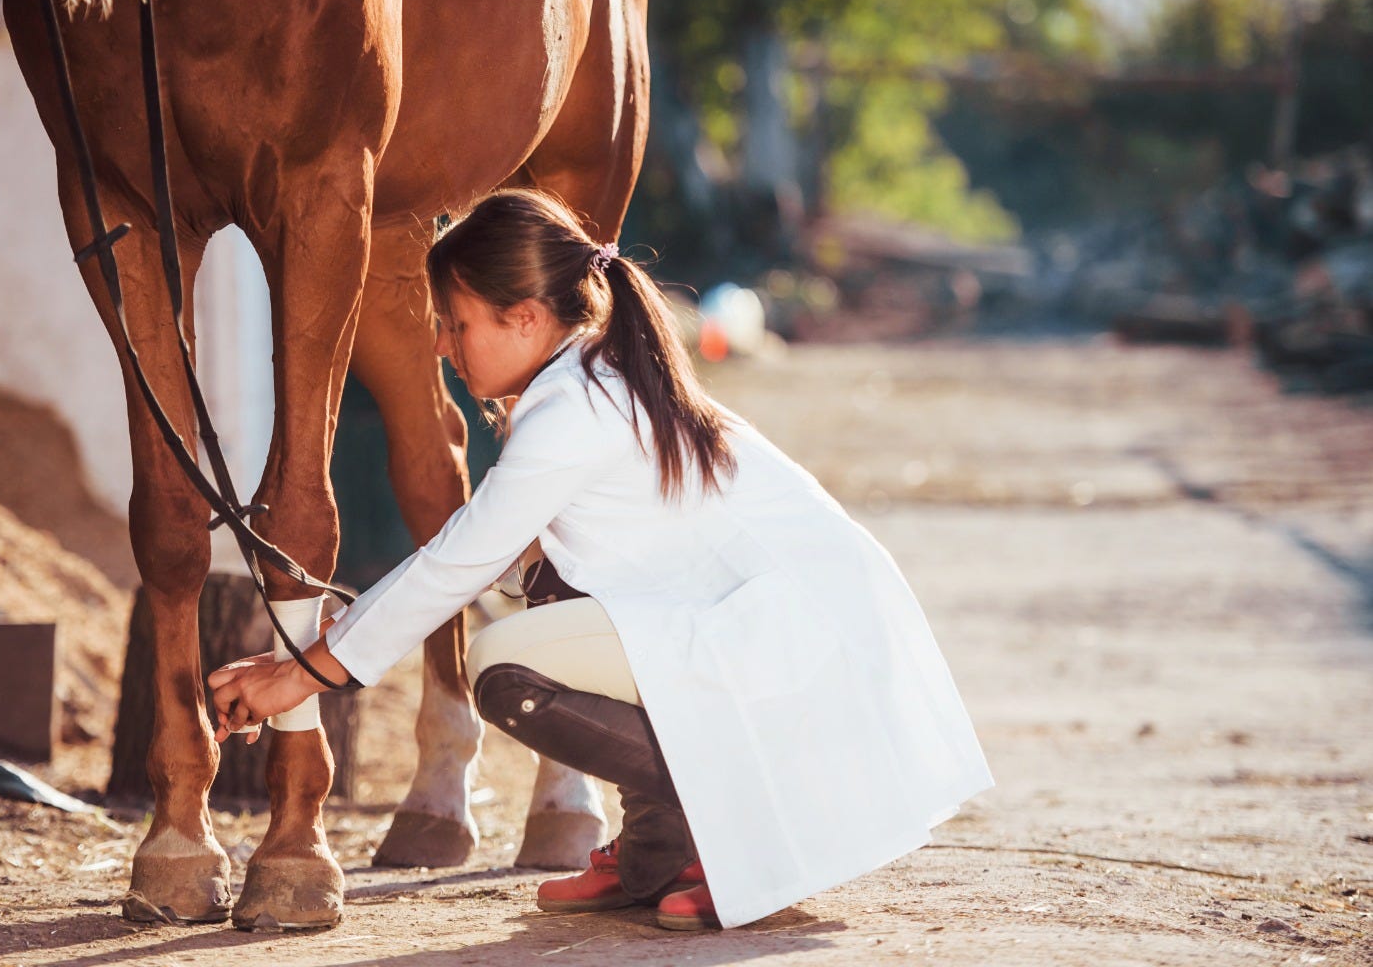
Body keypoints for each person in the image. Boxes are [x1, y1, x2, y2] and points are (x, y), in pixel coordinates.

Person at [207, 189, 993, 931]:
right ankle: (657, 848)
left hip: (800, 641)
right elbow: (499, 559)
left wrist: (299, 674)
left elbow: (458, 561)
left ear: (522, 317)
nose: (443, 347)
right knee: (551, 595)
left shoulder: (576, 410)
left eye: (455, 324)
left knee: (505, 670)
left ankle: (740, 823)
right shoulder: (583, 378)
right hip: (769, 626)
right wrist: (343, 630)